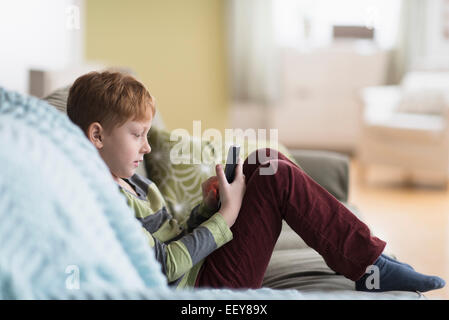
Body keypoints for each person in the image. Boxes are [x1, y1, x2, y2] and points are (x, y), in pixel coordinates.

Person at [67, 70, 445, 293]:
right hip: (200, 288)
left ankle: (369, 261)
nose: (147, 147)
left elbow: (174, 235)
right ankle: (369, 265)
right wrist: (225, 219)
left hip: (204, 267)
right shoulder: (104, 200)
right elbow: (163, 265)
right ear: (97, 136)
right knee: (273, 170)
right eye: (137, 135)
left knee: (264, 163)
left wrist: (208, 209)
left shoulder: (136, 186)